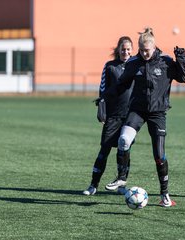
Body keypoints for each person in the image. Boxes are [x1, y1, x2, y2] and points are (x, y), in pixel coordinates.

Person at [104, 27, 185, 207]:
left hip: (158, 113)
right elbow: (121, 84)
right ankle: (121, 178)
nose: (144, 54)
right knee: (123, 141)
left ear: (153, 46)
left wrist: (181, 59)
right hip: (137, 110)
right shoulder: (134, 62)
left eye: (147, 50)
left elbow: (183, 77)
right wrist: (105, 99)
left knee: (159, 155)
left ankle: (165, 194)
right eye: (141, 50)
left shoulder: (165, 61)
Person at [83, 36, 134, 196]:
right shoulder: (110, 66)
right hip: (113, 116)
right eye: (123, 48)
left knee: (124, 151)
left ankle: (121, 185)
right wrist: (102, 106)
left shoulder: (136, 65)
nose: (125, 51)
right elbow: (103, 89)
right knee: (104, 150)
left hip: (130, 116)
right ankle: (93, 185)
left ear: (132, 50)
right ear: (118, 49)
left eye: (128, 49)